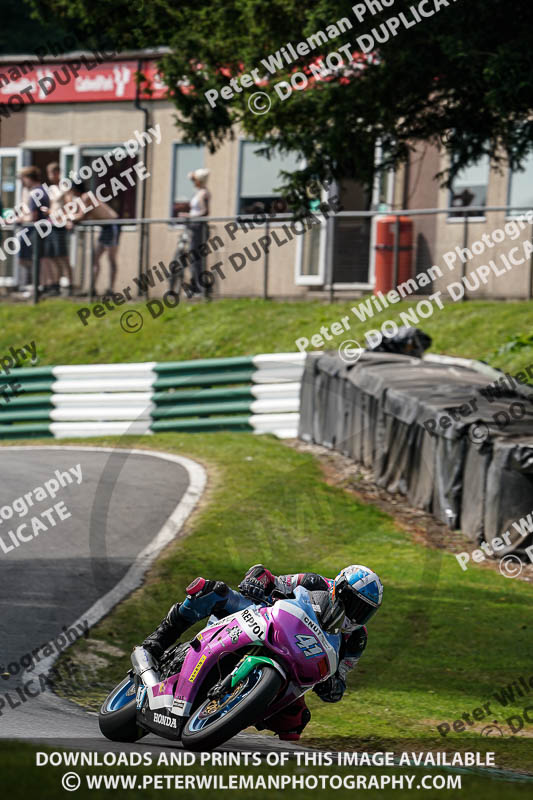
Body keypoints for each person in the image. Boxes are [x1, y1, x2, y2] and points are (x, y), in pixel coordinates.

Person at [142, 563, 383, 741]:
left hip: (293, 664)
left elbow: (341, 677)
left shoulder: (357, 639)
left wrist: (333, 686)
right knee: (212, 591)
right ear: (340, 590)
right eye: (355, 605)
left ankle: (235, 709)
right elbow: (269, 577)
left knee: (295, 724)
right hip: (264, 619)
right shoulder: (315, 583)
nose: (357, 615)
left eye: (366, 611)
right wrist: (255, 581)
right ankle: (158, 639)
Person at [69, 182, 120, 294]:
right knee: (95, 258)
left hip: (112, 226)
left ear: (75, 189)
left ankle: (111, 289)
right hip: (105, 227)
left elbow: (81, 216)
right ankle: (92, 289)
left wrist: (68, 219)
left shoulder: (86, 197)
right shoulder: (82, 199)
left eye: (71, 190)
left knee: (111, 259)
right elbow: (82, 216)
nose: (70, 193)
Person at [15, 166, 55, 292]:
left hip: (34, 232)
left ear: (28, 178)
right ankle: (38, 286)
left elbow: (33, 217)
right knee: (38, 258)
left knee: (30, 259)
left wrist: (19, 220)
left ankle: (33, 287)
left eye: (23, 179)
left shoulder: (35, 192)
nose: (22, 182)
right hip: (41, 231)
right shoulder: (43, 189)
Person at [177, 167, 211, 296]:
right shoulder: (199, 191)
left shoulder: (204, 193)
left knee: (196, 259)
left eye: (195, 180)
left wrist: (190, 216)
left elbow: (205, 212)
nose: (193, 182)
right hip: (193, 227)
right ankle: (196, 285)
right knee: (193, 258)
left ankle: (199, 288)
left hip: (198, 228)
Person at [43, 162, 73, 294]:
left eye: (51, 173)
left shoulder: (64, 187)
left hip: (60, 225)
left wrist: (68, 219)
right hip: (51, 224)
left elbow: (70, 205)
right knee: (52, 255)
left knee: (63, 256)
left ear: (57, 173)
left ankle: (70, 283)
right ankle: (56, 283)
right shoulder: (51, 189)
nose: (49, 176)